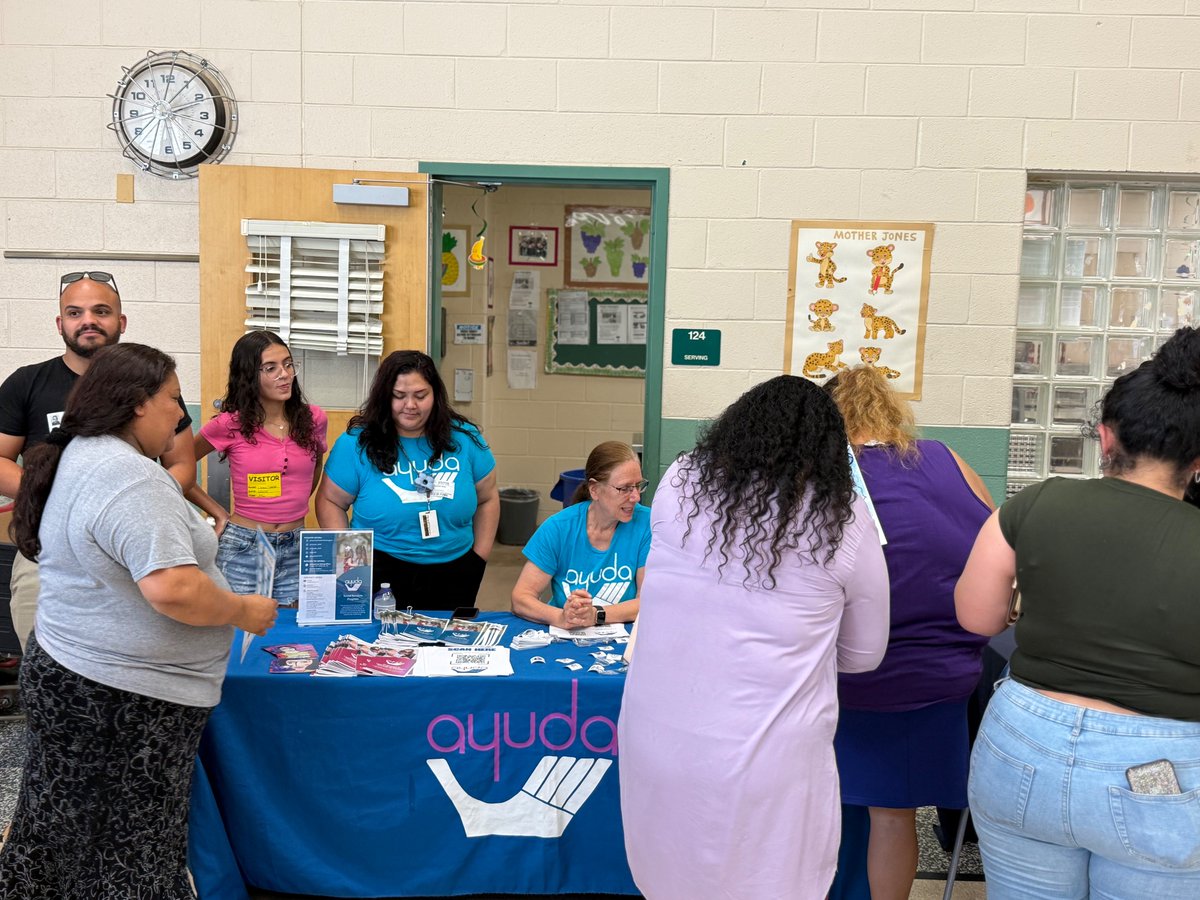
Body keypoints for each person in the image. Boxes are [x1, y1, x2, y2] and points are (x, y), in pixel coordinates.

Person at [0, 343, 277, 897]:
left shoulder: (84, 453)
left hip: (85, 680)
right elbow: (173, 588)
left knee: (59, 832)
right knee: (134, 844)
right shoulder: (130, 479)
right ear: (137, 404)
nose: (180, 414)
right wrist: (244, 610)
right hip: (122, 700)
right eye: (173, 399)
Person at [618, 375, 890, 899]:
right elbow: (864, 653)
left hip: (658, 738)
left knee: (671, 878)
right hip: (766, 757)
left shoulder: (680, 481)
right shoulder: (840, 516)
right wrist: (802, 650)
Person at [956, 326, 1200, 899]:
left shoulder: (1037, 501)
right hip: (1163, 767)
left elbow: (976, 618)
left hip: (1022, 741)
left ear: (1105, 436)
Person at [824, 365, 992, 900]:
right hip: (942, 676)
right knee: (893, 813)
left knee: (812, 802)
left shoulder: (824, 472)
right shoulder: (946, 458)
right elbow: (996, 544)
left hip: (850, 680)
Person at [0, 271, 199, 649]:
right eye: (75, 313)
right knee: (49, 669)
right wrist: (56, 493)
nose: (88, 321)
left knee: (131, 666)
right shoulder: (27, 383)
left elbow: (183, 466)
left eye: (101, 311)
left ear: (121, 321)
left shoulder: (152, 383)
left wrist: (132, 502)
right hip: (48, 558)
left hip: (135, 557)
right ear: (60, 323)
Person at [316, 350, 498, 609]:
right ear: (384, 396)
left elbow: (488, 497)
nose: (410, 405)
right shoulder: (356, 443)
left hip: (457, 567)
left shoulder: (465, 438)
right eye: (399, 396)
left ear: (435, 394)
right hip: (380, 568)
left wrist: (479, 557)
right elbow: (330, 501)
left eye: (420, 396)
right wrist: (351, 564)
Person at [188, 331, 328, 606]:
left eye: (288, 364)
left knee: (291, 630)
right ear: (249, 375)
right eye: (270, 368)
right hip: (244, 545)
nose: (284, 375)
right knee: (241, 627)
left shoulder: (314, 419)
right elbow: (177, 467)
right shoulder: (229, 424)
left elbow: (316, 463)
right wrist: (217, 513)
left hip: (296, 545)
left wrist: (291, 505)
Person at [511, 441, 651, 629]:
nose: (636, 497)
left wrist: (596, 615)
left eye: (638, 486)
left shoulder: (647, 524)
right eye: (624, 488)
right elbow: (521, 598)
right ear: (594, 489)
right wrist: (561, 617)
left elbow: (649, 600)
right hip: (567, 635)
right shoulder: (559, 528)